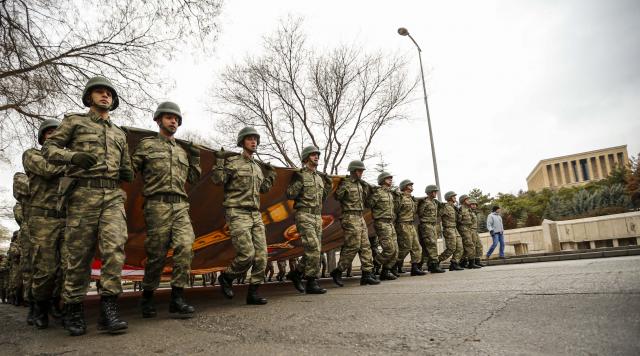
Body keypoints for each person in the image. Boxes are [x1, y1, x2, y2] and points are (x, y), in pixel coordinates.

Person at [43, 76, 134, 336]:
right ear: (89, 97)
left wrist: (127, 172)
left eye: (109, 93)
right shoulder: (75, 122)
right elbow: (49, 149)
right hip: (83, 195)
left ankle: (109, 309)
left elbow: (126, 167)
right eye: (99, 92)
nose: (105, 96)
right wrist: (73, 157)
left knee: (115, 250)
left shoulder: (119, 134)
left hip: (113, 196)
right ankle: (73, 308)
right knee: (78, 256)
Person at [131, 101, 201, 319]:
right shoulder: (147, 145)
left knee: (186, 245)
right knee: (157, 254)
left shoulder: (182, 151)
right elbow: (130, 169)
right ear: (158, 119)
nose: (173, 121)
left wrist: (195, 158)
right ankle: (148, 295)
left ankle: (177, 298)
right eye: (169, 117)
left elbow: (193, 178)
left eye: (176, 119)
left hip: (180, 204)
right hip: (156, 204)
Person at [211, 126, 277, 305]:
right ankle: (227, 277)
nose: (253, 141)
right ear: (242, 142)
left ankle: (253, 293)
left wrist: (270, 176)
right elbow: (217, 180)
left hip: (255, 214)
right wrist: (218, 161)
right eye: (249, 138)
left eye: (255, 138)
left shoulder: (257, 168)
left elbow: (263, 189)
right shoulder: (233, 162)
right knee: (247, 254)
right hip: (237, 212)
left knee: (262, 256)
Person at [23, 119, 67, 329]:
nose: (53, 136)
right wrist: (73, 161)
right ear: (42, 137)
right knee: (45, 268)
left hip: (67, 217)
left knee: (67, 266)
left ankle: (55, 302)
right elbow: (48, 169)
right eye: (49, 133)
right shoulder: (32, 154)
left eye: (57, 133)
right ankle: (39, 306)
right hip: (42, 219)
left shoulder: (68, 158)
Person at [285, 146, 333, 294]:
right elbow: (290, 194)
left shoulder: (319, 178)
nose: (316, 157)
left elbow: (322, 198)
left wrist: (328, 185)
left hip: (317, 216)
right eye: (313, 155)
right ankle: (311, 282)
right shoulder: (300, 175)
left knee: (315, 250)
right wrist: (298, 181)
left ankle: (296, 273)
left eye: (317, 155)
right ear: (306, 158)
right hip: (304, 215)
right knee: (313, 247)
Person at [330, 160, 379, 287]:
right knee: (353, 245)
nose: (361, 173)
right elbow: (337, 196)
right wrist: (344, 186)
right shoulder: (346, 183)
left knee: (365, 246)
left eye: (362, 171)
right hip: (349, 216)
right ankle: (338, 271)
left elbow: (367, 203)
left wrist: (373, 193)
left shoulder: (362, 185)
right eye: (359, 171)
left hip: (360, 216)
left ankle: (367, 274)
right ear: (352, 171)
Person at [367, 172, 399, 281]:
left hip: (390, 223)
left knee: (395, 250)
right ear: (382, 180)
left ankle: (386, 271)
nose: (390, 179)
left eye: (391, 178)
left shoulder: (390, 194)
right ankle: (374, 265)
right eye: (388, 178)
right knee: (389, 249)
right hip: (381, 223)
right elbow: (369, 204)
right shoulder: (378, 193)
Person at [394, 179, 425, 276]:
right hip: (402, 224)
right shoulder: (400, 198)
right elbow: (395, 211)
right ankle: (392, 265)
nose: (412, 186)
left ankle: (414, 268)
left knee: (417, 247)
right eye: (409, 185)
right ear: (404, 186)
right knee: (406, 247)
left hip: (411, 224)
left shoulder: (412, 199)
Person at [417, 185, 446, 273]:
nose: (436, 193)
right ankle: (434, 265)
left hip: (433, 225)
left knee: (427, 247)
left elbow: (438, 214)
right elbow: (420, 213)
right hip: (426, 225)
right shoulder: (425, 202)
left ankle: (419, 265)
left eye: (436, 192)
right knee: (431, 245)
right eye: (434, 192)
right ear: (430, 192)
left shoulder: (434, 202)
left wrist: (441, 206)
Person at [438, 191, 464, 271]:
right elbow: (438, 216)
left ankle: (454, 264)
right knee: (451, 248)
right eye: (453, 196)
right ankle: (435, 261)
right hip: (448, 229)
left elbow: (459, 220)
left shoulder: (454, 207)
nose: (455, 198)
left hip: (454, 228)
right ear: (449, 197)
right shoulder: (445, 207)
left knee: (460, 247)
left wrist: (459, 212)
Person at [457, 195, 481, 269]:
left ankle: (466, 262)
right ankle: (471, 263)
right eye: (467, 199)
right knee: (469, 245)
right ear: (464, 201)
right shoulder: (461, 209)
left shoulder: (468, 209)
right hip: (464, 229)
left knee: (471, 245)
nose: (469, 200)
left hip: (469, 228)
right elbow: (458, 220)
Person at [469, 199, 484, 267]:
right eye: (472, 204)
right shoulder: (468, 212)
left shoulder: (474, 212)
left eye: (475, 204)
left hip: (475, 230)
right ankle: (472, 262)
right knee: (473, 246)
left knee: (479, 245)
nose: (474, 206)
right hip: (470, 231)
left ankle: (477, 260)